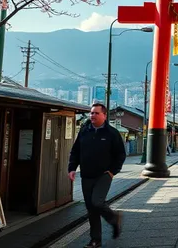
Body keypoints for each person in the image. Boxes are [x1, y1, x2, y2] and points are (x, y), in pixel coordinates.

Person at [68, 103, 126, 248]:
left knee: (97, 202)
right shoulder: (84, 131)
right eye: (91, 113)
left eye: (96, 113)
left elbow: (120, 154)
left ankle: (114, 218)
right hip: (86, 175)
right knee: (91, 208)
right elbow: (75, 151)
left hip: (104, 175)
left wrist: (113, 170)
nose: (92, 115)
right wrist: (72, 168)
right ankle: (95, 240)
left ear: (104, 116)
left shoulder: (112, 133)